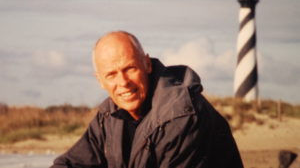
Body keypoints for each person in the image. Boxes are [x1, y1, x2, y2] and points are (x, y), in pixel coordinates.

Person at [50, 31, 244, 168]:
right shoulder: (108, 117)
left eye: (130, 69)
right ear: (100, 81)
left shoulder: (181, 115)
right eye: (111, 74)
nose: (123, 82)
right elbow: (69, 164)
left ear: (147, 64)